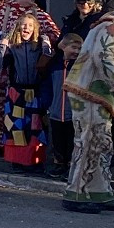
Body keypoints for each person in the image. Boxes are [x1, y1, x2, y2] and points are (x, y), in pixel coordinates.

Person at [60, 0, 114, 213]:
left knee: (100, 142)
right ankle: (77, 192)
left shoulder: (112, 27)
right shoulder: (113, 28)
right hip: (90, 92)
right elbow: (103, 57)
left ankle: (99, 190)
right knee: (89, 141)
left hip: (95, 93)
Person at [0, 0, 60, 154]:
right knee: (4, 109)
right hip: (5, 72)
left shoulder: (40, 14)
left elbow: (56, 34)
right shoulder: (0, 13)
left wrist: (43, 39)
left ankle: (29, 147)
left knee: (32, 113)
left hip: (31, 74)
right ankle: (3, 143)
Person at [0, 12, 52, 171]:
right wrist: (3, 45)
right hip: (17, 92)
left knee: (36, 127)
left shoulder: (40, 44)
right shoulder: (13, 46)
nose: (26, 28)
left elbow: (48, 61)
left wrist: (46, 46)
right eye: (23, 25)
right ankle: (18, 160)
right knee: (16, 128)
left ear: (35, 28)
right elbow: (0, 64)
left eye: (30, 25)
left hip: (35, 92)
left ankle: (35, 160)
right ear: (17, 28)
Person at [42, 33, 83, 179]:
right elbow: (47, 86)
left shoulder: (80, 67)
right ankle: (59, 163)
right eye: (73, 47)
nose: (76, 52)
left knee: (72, 140)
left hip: (73, 112)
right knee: (58, 139)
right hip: (55, 110)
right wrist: (47, 104)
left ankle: (72, 166)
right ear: (64, 47)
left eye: (79, 49)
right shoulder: (55, 65)